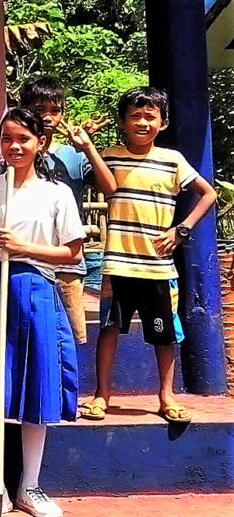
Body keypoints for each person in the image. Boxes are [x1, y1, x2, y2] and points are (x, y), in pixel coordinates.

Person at [0, 108, 86, 517]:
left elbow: (71, 252)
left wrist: (24, 248)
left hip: (35, 289)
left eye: (23, 138)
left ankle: (30, 486)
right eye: (7, 139)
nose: (14, 146)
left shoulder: (56, 193)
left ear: (39, 142)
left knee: (37, 382)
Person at [79, 87, 217, 423]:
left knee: (165, 333)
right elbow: (103, 187)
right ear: (122, 121)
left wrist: (180, 230)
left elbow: (208, 193)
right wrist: (88, 148)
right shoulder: (108, 156)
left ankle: (166, 396)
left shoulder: (173, 160)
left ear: (163, 122)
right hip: (117, 262)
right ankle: (102, 395)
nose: (142, 122)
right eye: (135, 116)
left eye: (150, 116)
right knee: (110, 327)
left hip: (158, 266)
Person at [19, 76, 113, 345]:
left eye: (55, 111)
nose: (48, 118)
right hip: (27, 259)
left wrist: (87, 147)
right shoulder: (16, 154)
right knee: (31, 338)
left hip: (67, 261)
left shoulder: (73, 155)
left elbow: (110, 188)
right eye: (39, 110)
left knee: (68, 338)